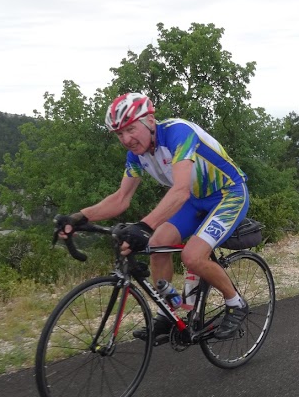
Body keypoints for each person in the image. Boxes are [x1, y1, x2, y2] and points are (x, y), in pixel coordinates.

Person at [59, 92, 250, 341]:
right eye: (119, 134)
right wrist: (79, 217)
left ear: (149, 120)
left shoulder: (178, 133)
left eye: (130, 129)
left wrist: (144, 226)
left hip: (228, 194)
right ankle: (168, 313)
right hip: (193, 199)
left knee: (191, 256)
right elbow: (121, 198)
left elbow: (179, 189)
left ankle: (236, 303)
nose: (126, 139)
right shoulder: (137, 154)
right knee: (158, 244)